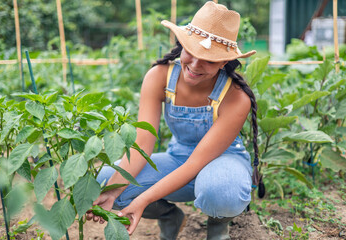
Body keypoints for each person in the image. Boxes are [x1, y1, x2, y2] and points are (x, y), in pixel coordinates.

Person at [87, 1, 260, 239]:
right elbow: (143, 144)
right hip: (178, 159)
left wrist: (143, 200)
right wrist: (113, 192)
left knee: (221, 190)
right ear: (181, 45)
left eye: (209, 60)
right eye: (192, 52)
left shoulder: (236, 96)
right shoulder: (159, 77)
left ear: (224, 63)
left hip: (224, 162)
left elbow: (197, 162)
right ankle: (171, 217)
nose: (195, 66)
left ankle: (218, 228)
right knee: (107, 181)